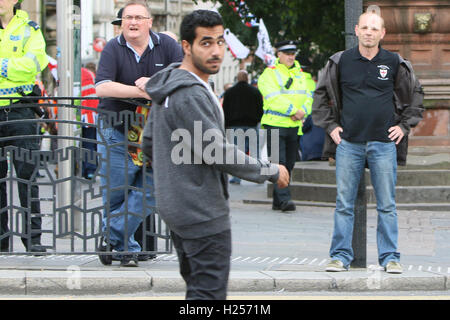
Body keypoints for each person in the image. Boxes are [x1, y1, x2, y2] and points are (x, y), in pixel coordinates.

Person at [140, 9, 289, 300]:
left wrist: (175, 174)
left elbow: (148, 142)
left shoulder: (170, 86)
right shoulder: (191, 93)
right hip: (201, 211)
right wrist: (268, 170)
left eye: (220, 42)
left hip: (179, 208)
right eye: (206, 43)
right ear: (187, 46)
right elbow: (216, 151)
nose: (216, 51)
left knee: (198, 291)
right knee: (207, 296)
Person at [311, 12, 424, 274]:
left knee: (387, 204)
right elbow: (320, 96)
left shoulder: (394, 62)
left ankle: (390, 257)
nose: (369, 32)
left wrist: (404, 126)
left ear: (382, 33)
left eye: (375, 28)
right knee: (344, 204)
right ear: (357, 30)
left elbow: (416, 94)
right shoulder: (341, 61)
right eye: (365, 28)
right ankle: (339, 256)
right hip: (349, 143)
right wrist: (331, 126)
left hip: (383, 144)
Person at [94, 0, 183, 266]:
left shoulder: (166, 46)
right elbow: (102, 87)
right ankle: (126, 249)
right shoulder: (113, 47)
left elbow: (184, 74)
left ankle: (110, 237)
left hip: (154, 132)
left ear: (149, 22)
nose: (132, 22)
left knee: (154, 187)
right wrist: (140, 92)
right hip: (116, 129)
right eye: (127, 17)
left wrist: (155, 81)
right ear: (121, 22)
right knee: (117, 192)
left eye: (138, 17)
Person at [0, 0, 48, 254]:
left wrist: (3, 66)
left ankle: (34, 239)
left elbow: (33, 65)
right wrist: (14, 67)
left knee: (27, 176)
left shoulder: (30, 28)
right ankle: (1, 241)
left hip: (22, 108)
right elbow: (23, 67)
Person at [257, 40, 313, 212]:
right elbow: (272, 97)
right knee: (278, 163)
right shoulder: (269, 73)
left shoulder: (302, 75)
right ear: (278, 55)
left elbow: (310, 95)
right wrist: (293, 110)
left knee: (289, 164)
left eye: (293, 53)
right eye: (287, 53)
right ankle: (285, 200)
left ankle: (277, 200)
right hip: (275, 124)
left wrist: (303, 110)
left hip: (294, 126)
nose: (291, 56)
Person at [222, 69, 263, 184]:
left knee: (237, 153)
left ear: (237, 79)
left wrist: (227, 124)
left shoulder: (230, 92)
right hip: (251, 125)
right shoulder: (255, 92)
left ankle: (237, 177)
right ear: (247, 79)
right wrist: (256, 120)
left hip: (234, 126)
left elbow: (225, 109)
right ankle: (258, 175)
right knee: (255, 152)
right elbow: (260, 108)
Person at [299, 71, 325, 161]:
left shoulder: (298, 81)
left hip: (309, 149)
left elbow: (304, 129)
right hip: (323, 151)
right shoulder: (313, 84)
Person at [80, 65, 99, 179]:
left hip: (81, 114)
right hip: (92, 114)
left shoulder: (75, 74)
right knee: (90, 143)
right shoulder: (90, 74)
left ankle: (85, 169)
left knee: (83, 144)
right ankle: (90, 169)